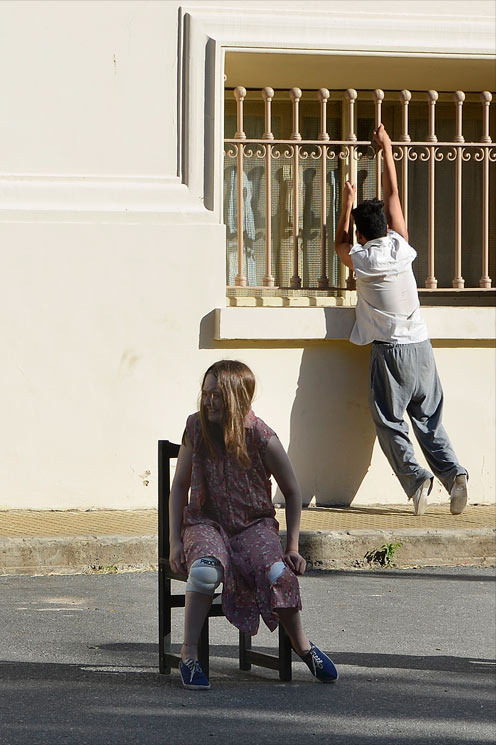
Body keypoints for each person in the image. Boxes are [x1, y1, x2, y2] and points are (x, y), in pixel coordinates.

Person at [167, 360, 337, 690]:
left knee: (277, 573)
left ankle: (304, 647)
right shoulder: (195, 429)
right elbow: (179, 487)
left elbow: (292, 490)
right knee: (204, 571)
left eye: (216, 395)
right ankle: (189, 655)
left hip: (254, 526)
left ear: (237, 397)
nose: (209, 402)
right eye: (205, 394)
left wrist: (292, 547)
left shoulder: (261, 436)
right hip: (206, 524)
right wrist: (175, 540)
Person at [334, 124, 469, 516]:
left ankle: (417, 480)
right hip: (422, 346)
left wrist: (346, 200)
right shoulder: (402, 246)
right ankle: (454, 473)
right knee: (428, 419)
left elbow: (340, 242)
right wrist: (388, 148)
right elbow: (393, 194)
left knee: (390, 422)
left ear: (362, 235)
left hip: (390, 352)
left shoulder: (361, 259)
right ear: (388, 230)